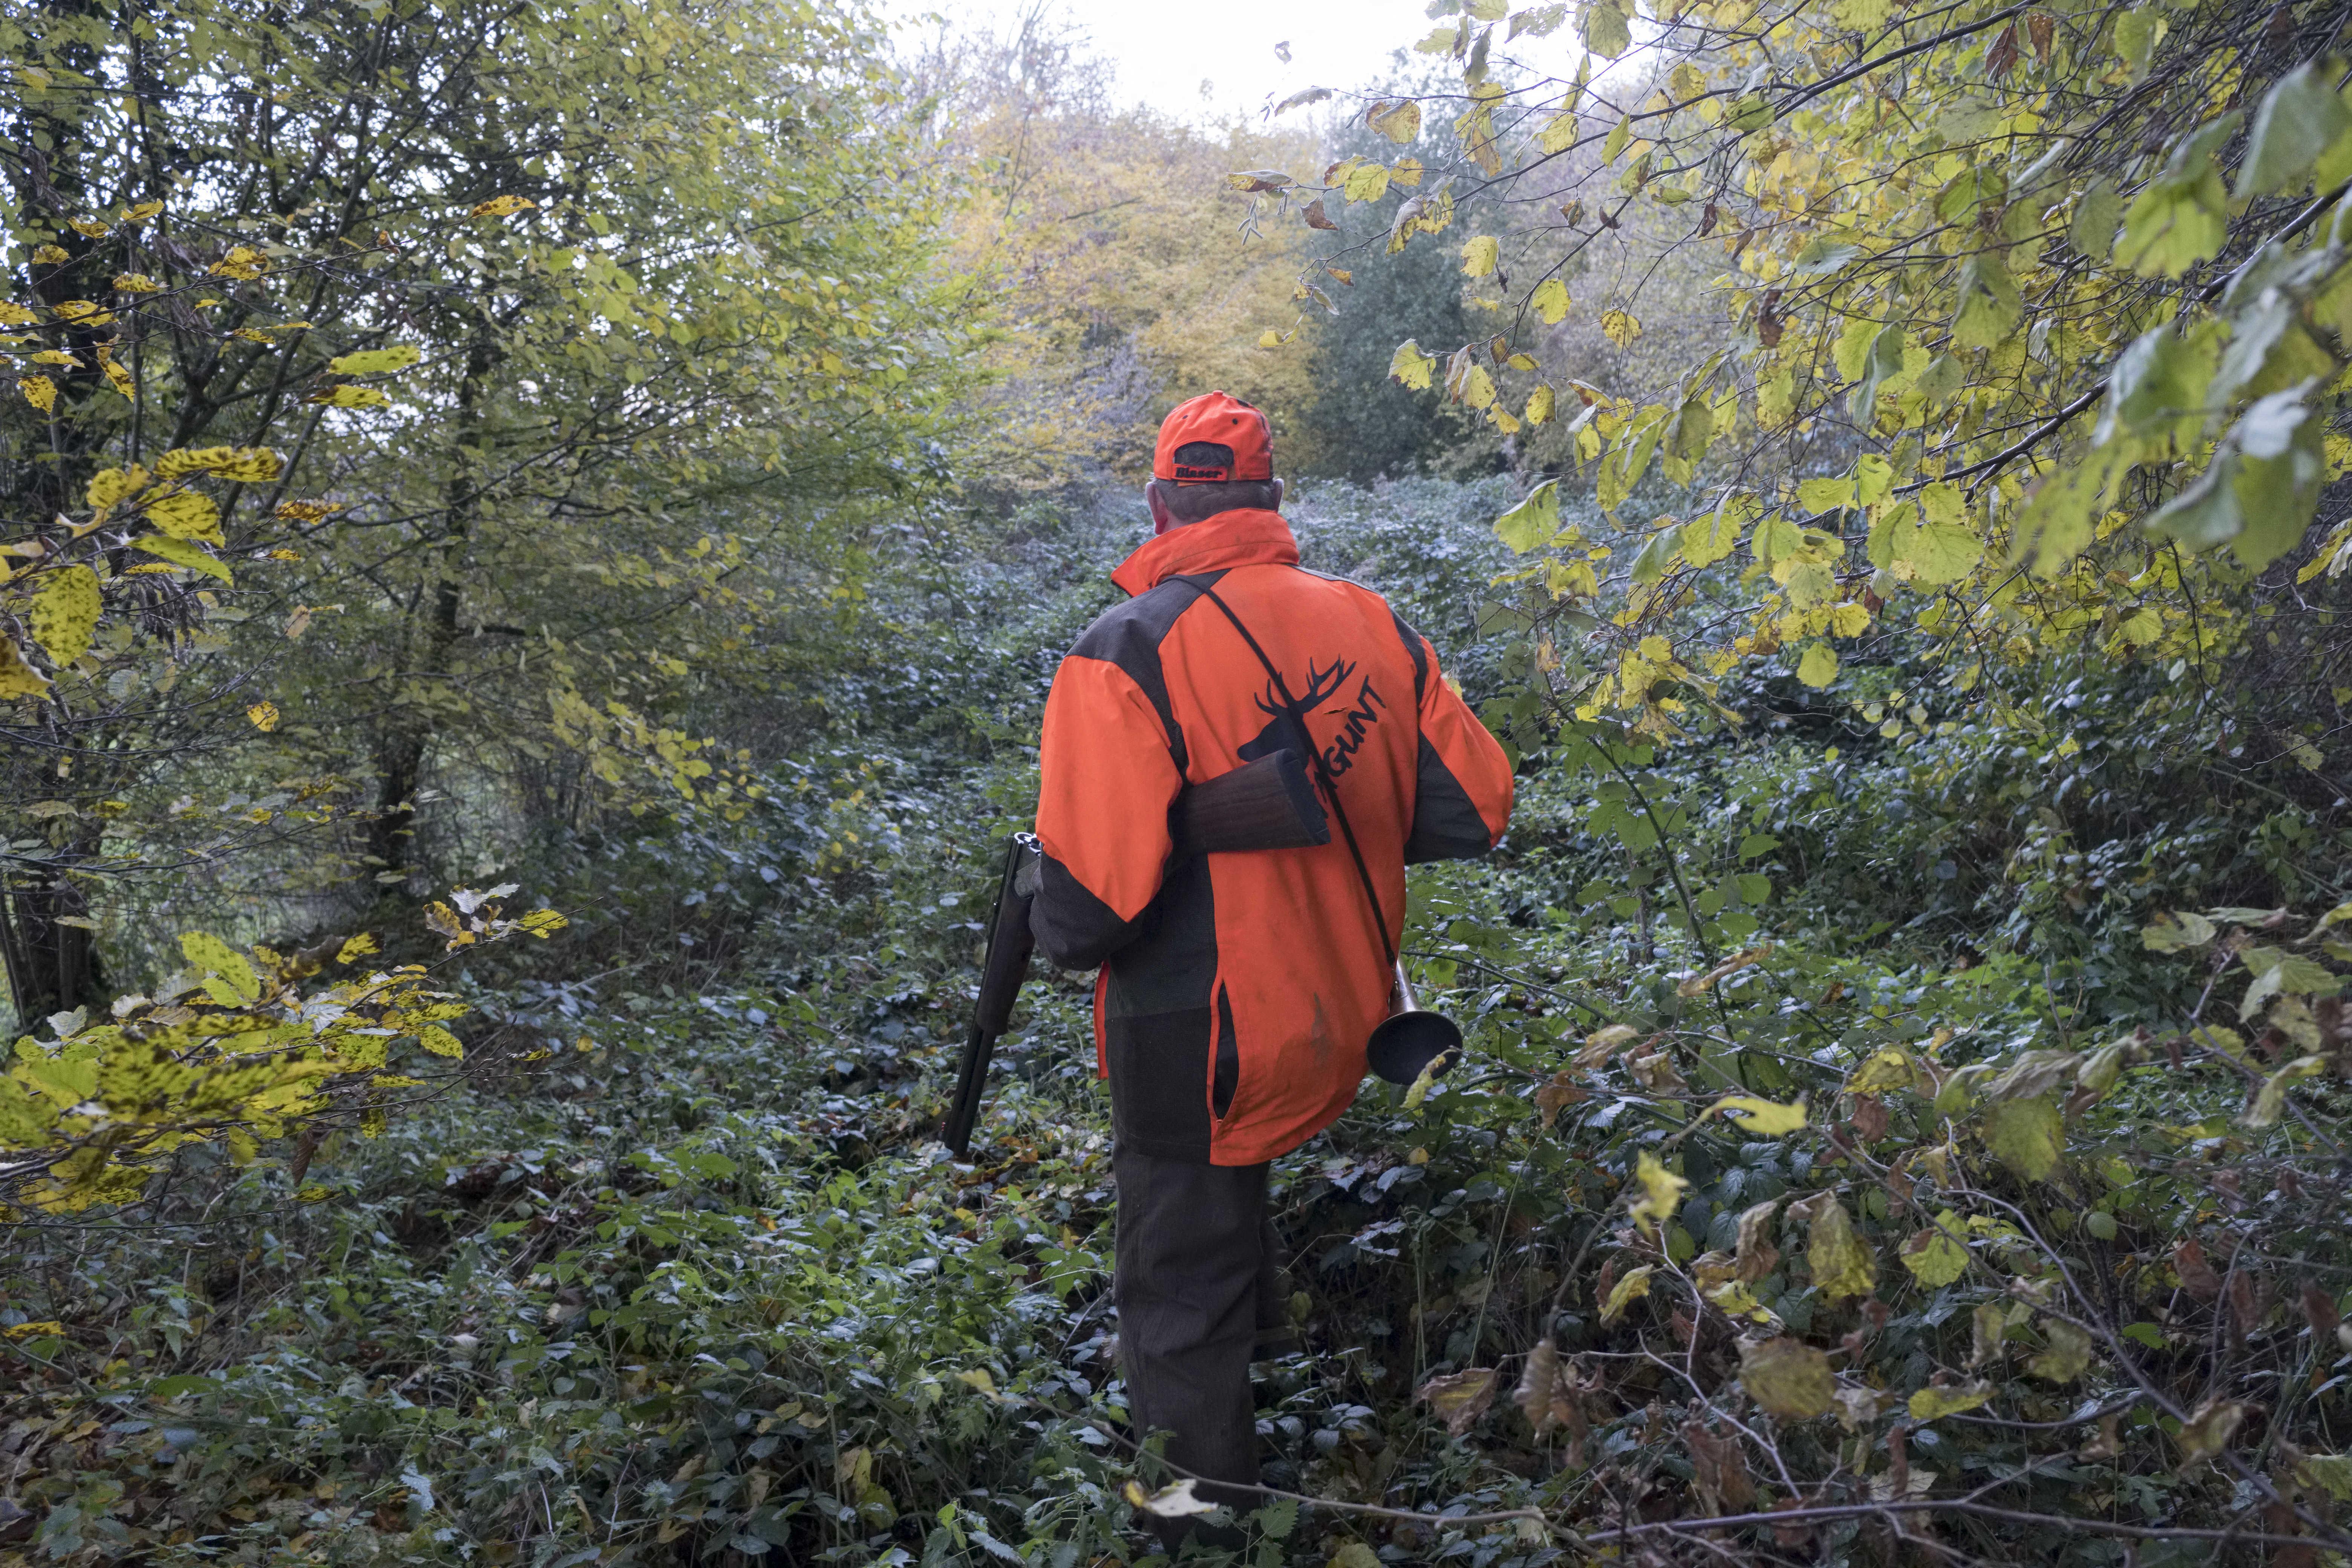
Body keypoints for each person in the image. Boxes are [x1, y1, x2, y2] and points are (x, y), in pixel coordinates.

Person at [1027, 391, 1515, 1548]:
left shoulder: (1124, 649)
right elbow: (1474, 809)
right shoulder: (1372, 621)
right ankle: (1274, 1384)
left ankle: (1199, 1524)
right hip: (1340, 1006)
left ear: (1160, 501)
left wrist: (1068, 895)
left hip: (1200, 1032)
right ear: (1273, 503)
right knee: (1226, 1201)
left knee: (1176, 1278)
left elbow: (1089, 915)